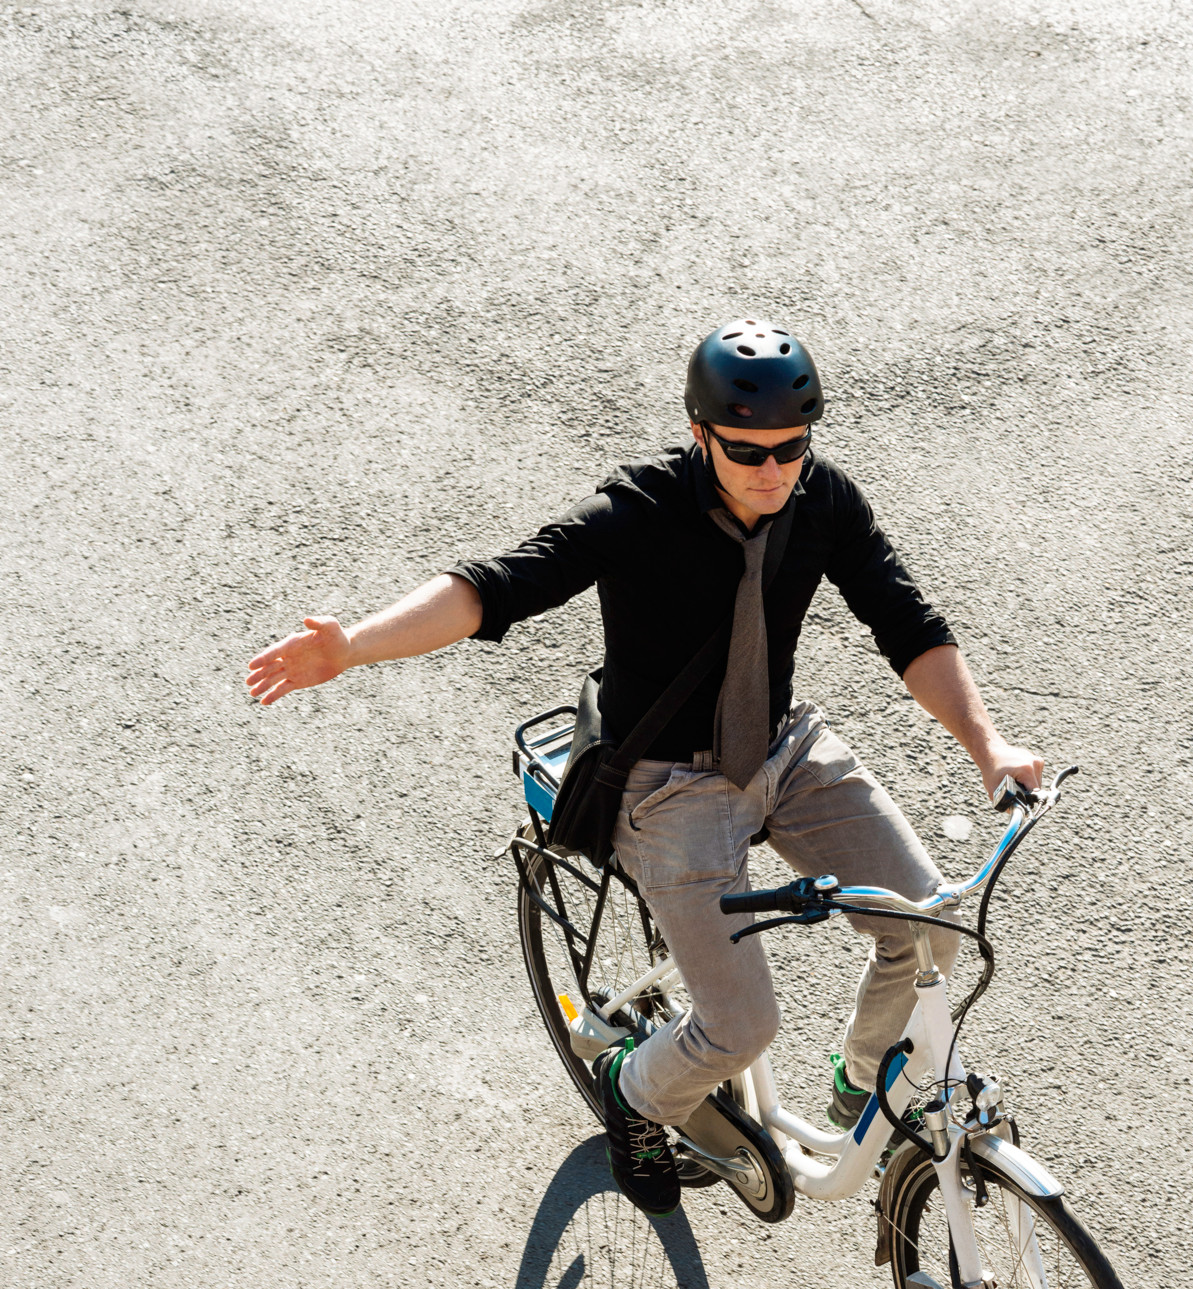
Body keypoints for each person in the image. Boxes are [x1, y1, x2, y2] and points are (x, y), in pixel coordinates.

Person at [246, 319, 1043, 1217]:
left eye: (790, 448)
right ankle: (632, 1092)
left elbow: (908, 624)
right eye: (746, 451)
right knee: (742, 1027)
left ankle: (862, 1086)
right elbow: (493, 587)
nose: (772, 471)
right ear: (701, 433)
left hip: (780, 747)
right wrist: (353, 646)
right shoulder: (638, 512)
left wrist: (990, 748)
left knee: (929, 924)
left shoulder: (821, 501)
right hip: (667, 788)